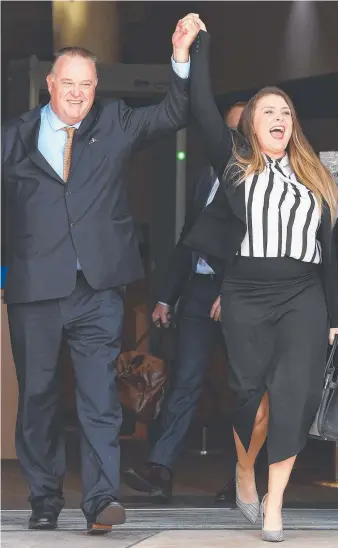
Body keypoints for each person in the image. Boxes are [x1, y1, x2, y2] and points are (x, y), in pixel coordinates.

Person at [1, 16, 200, 534]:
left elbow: (175, 111)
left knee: (99, 398)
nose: (78, 93)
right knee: (38, 399)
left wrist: (179, 55)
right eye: (69, 83)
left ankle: (101, 501)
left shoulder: (114, 122)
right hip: (35, 292)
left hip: (98, 289)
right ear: (50, 84)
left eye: (87, 85)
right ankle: (44, 497)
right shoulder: (15, 136)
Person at [179, 14, 338, 542]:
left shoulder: (317, 178)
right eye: (267, 111)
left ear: (293, 124)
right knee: (253, 398)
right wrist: (193, 51)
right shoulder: (235, 165)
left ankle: (275, 505)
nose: (278, 118)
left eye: (285, 112)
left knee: (294, 394)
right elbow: (201, 110)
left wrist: (334, 317)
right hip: (245, 292)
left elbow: (330, 252)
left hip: (303, 295)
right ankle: (245, 471)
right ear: (250, 125)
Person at [123, 102, 245, 505]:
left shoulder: (260, 180)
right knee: (185, 380)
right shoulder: (204, 176)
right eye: (227, 131)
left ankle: (245, 479)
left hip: (242, 295)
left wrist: (231, 291)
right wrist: (164, 295)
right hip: (196, 290)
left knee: (246, 388)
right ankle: (160, 469)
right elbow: (188, 237)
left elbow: (262, 246)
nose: (232, 139)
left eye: (241, 131)